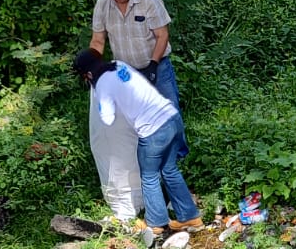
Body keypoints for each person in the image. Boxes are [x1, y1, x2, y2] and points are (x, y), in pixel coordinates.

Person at [72, 48, 202, 236]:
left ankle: (156, 223)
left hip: (153, 130)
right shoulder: (119, 65)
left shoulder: (101, 85)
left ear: (89, 74)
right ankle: (190, 217)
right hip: (172, 118)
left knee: (149, 176)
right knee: (169, 169)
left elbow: (107, 119)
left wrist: (102, 104)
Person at [89, 0, 188, 157]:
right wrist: (93, 67)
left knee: (169, 109)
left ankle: (178, 155)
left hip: (157, 66)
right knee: (133, 115)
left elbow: (162, 35)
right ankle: (144, 156)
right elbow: (98, 40)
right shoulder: (103, 4)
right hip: (126, 72)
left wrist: (153, 64)